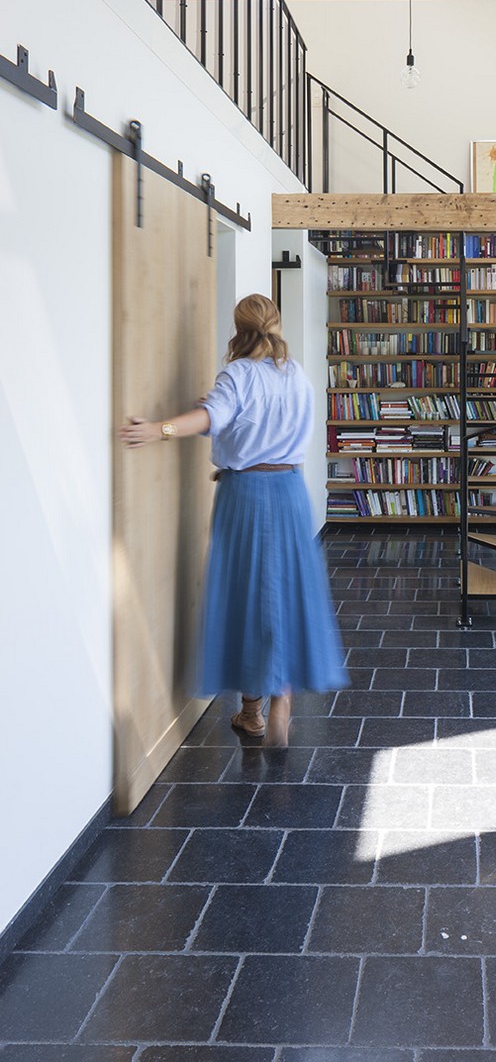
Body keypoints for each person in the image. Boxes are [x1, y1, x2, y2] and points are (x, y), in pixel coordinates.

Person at [118, 292, 348, 747]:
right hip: (290, 491)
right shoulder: (295, 373)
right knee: (285, 592)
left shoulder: (238, 375)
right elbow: (246, 419)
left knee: (249, 595)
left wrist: (157, 429)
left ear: (238, 329)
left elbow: (210, 417)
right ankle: (280, 695)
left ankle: (253, 711)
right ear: (276, 324)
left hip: (247, 495)